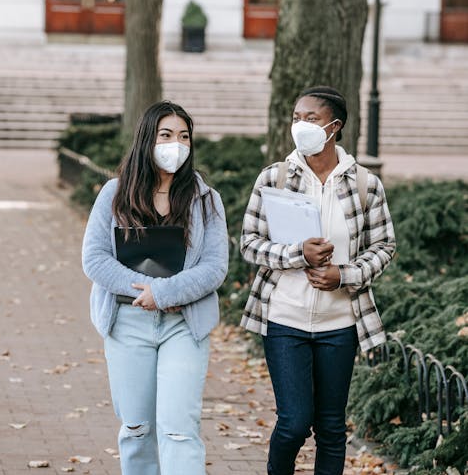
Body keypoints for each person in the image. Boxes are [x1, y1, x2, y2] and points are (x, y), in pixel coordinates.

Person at [240, 86, 395, 475]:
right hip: (284, 320)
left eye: (311, 118)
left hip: (339, 326)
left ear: (334, 126)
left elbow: (384, 247)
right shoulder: (273, 177)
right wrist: (298, 255)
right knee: (293, 423)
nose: (301, 126)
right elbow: (250, 244)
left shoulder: (365, 185)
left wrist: (344, 275)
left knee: (330, 427)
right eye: (296, 118)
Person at [82, 100, 229, 475]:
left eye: (184, 136)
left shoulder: (205, 199)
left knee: (180, 430)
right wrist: (147, 291)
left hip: (184, 325)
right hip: (127, 324)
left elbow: (215, 267)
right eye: (166, 135)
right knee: (136, 429)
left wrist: (164, 295)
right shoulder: (114, 195)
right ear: (148, 139)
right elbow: (96, 260)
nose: (175, 144)